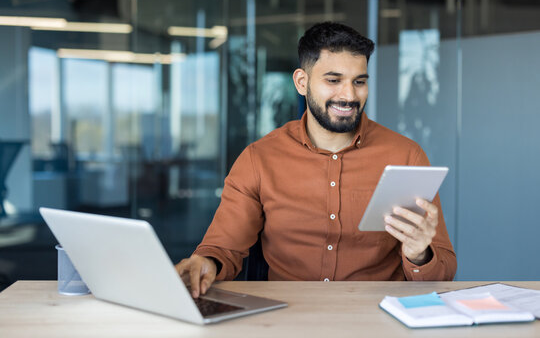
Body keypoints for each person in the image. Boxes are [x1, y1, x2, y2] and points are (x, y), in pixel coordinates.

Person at [176, 22, 457, 298]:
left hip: (377, 318)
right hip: (287, 318)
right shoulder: (259, 159)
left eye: (359, 82)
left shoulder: (406, 156)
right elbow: (223, 248)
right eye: (333, 80)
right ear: (302, 82)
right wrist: (206, 263)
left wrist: (420, 254)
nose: (349, 95)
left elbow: (443, 272)